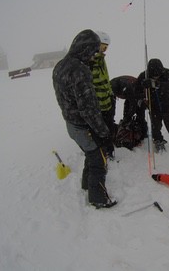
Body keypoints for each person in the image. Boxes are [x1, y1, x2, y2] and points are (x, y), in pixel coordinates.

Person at [52, 29, 117, 208]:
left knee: (91, 154)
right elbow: (88, 108)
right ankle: (98, 198)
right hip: (82, 126)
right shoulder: (80, 70)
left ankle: (85, 185)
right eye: (93, 51)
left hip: (70, 123)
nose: (94, 56)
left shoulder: (61, 65)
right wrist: (103, 132)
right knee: (99, 161)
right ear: (85, 48)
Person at [137, 58, 169, 152]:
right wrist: (143, 88)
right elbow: (137, 89)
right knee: (155, 126)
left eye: (158, 75)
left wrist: (156, 84)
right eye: (154, 76)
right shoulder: (144, 75)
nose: (156, 77)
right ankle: (158, 140)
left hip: (167, 104)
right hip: (153, 106)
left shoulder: (167, 72)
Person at [90, 31, 116, 159]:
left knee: (109, 127)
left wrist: (111, 95)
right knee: (101, 130)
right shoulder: (89, 61)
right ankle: (103, 153)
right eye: (103, 46)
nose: (104, 50)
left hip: (107, 101)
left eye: (106, 47)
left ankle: (109, 151)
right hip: (97, 105)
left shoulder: (101, 60)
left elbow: (105, 79)